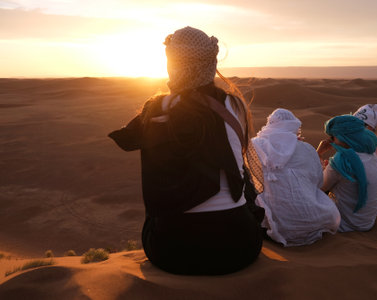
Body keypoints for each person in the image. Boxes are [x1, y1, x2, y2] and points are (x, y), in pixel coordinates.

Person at [108, 26, 263, 275]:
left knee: (155, 212)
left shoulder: (157, 107)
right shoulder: (234, 104)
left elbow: (128, 141)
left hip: (173, 251)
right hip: (240, 246)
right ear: (210, 63)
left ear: (173, 64)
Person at [252, 109, 340, 246]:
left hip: (278, 224)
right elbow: (318, 182)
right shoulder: (307, 149)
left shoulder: (254, 146)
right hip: (314, 221)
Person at [317, 115, 377, 232]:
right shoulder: (372, 155)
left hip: (345, 224)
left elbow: (319, 187)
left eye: (333, 136)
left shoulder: (342, 160)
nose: (331, 141)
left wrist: (318, 154)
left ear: (344, 137)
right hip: (367, 222)